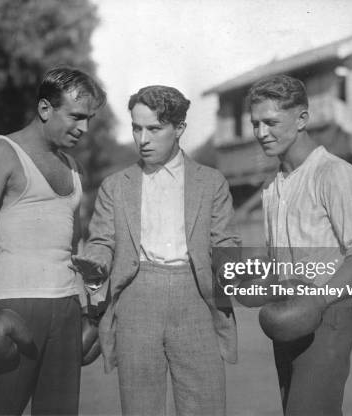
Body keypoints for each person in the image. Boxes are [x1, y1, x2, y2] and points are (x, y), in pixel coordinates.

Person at [71, 85, 240, 416]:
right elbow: (102, 241)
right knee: (140, 408)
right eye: (136, 128)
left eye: (154, 128)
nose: (142, 139)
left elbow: (225, 242)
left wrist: (235, 273)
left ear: (179, 129)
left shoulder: (211, 182)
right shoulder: (116, 186)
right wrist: (95, 265)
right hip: (136, 300)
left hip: (196, 299)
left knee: (205, 403)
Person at [0, 66, 106, 415]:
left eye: (89, 119)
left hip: (66, 306)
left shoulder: (74, 168)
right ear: (45, 109)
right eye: (76, 117)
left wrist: (88, 309)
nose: (84, 128)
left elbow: (75, 244)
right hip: (14, 308)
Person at [245, 74, 352, 416]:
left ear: (302, 119)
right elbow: (281, 262)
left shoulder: (334, 174)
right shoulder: (273, 186)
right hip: (285, 315)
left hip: (328, 313)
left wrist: (317, 299)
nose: (262, 133)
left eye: (271, 122)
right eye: (255, 124)